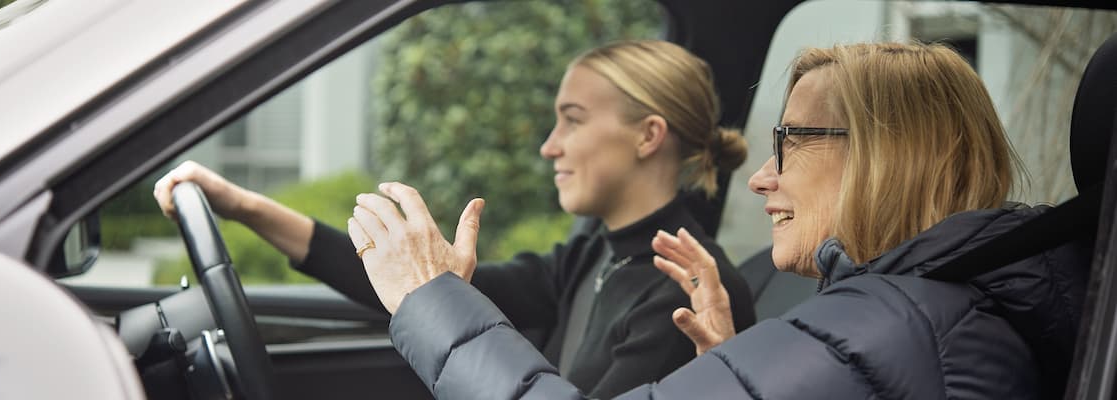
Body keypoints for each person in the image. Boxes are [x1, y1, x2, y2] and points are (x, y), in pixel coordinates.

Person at [347, 42, 1088, 399]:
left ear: (885, 155)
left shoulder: (892, 320)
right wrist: (737, 368)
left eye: (789, 142)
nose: (763, 176)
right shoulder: (941, 306)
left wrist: (428, 297)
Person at [154, 40, 757, 398]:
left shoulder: (688, 290)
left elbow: (438, 304)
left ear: (648, 135)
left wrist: (433, 296)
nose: (550, 145)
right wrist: (241, 206)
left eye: (572, 119)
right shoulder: (596, 255)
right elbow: (411, 292)